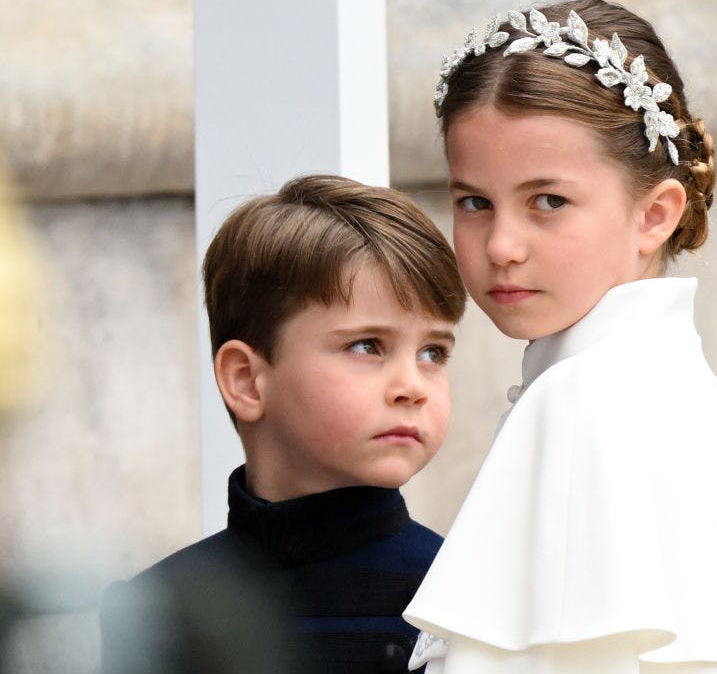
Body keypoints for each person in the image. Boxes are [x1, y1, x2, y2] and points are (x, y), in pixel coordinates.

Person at [403, 0, 717, 673]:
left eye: (549, 202)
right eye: (474, 201)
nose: (502, 245)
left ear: (654, 215)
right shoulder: (669, 381)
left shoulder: (581, 398)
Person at [100, 174, 467, 674]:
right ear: (247, 380)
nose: (413, 386)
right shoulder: (153, 610)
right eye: (366, 346)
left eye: (433, 352)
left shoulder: (461, 601)